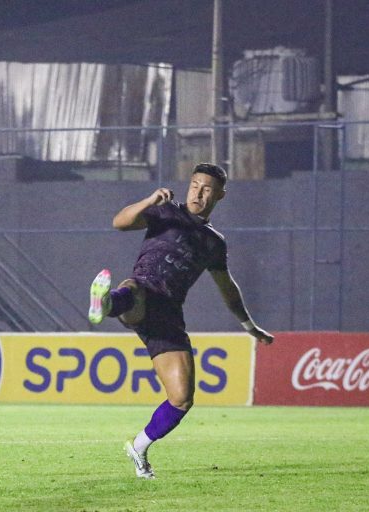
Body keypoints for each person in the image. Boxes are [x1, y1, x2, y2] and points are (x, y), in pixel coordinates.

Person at [88, 162, 274, 479]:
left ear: (220, 195)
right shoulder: (165, 213)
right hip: (143, 291)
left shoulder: (215, 243)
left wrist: (249, 326)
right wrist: (149, 200)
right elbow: (119, 222)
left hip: (169, 315)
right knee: (134, 289)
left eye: (207, 189)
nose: (198, 192)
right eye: (194, 184)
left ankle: (139, 447)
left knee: (182, 398)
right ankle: (106, 302)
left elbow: (228, 288)